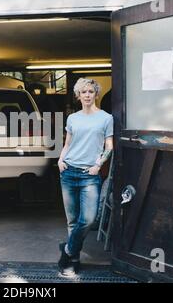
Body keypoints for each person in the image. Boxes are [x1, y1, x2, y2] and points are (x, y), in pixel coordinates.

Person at [57, 78, 114, 274]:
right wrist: (60, 160)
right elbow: (67, 144)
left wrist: (98, 165)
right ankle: (73, 261)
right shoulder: (73, 118)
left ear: (96, 94)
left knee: (89, 219)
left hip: (90, 174)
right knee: (72, 221)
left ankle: (66, 249)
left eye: (91, 91)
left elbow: (109, 147)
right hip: (68, 171)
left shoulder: (106, 118)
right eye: (84, 92)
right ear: (78, 96)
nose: (87, 95)